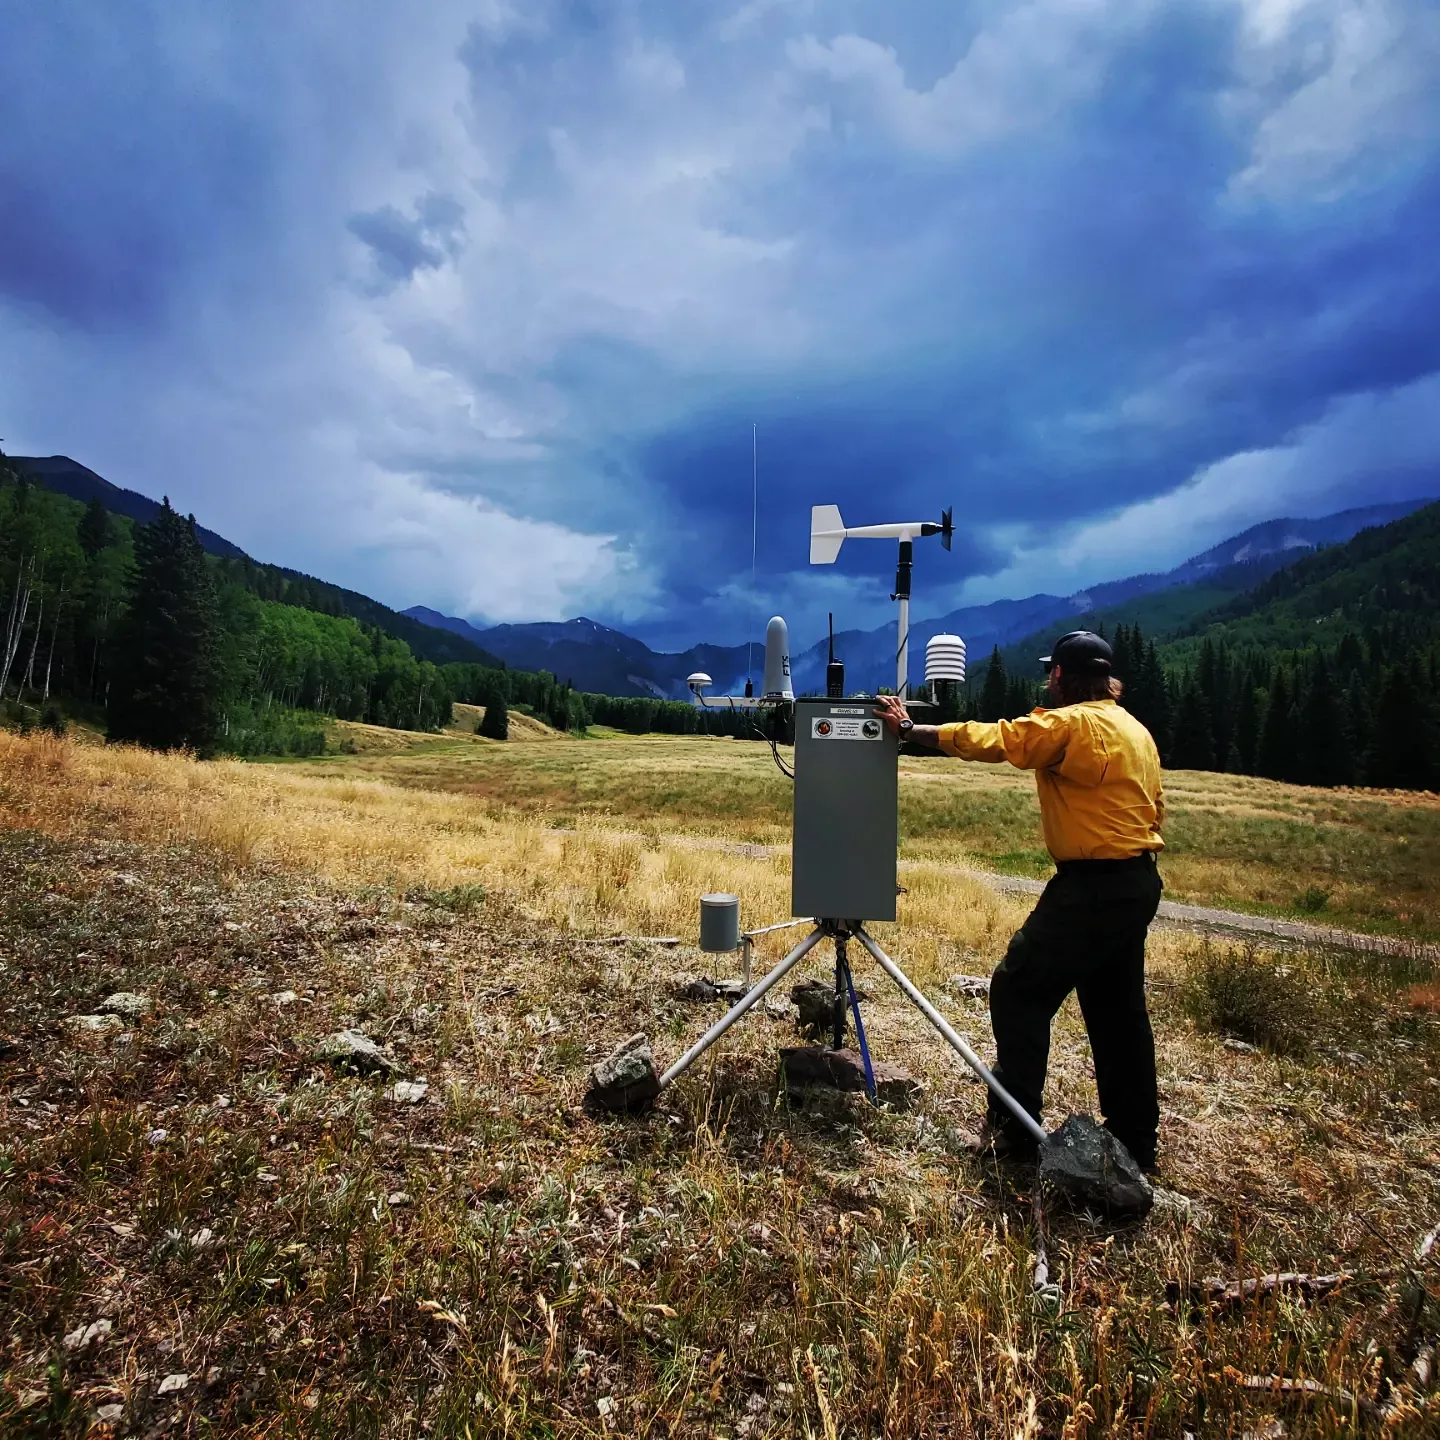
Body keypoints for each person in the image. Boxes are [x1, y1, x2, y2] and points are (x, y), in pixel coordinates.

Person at [874, 630, 1165, 1170]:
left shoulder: (1068, 724)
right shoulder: (1135, 729)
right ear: (1106, 679)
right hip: (1138, 881)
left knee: (1017, 990)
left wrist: (912, 730)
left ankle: (1014, 1133)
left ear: (1058, 675)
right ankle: (1134, 1140)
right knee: (1118, 1012)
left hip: (1092, 888)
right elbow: (1155, 805)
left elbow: (999, 739)